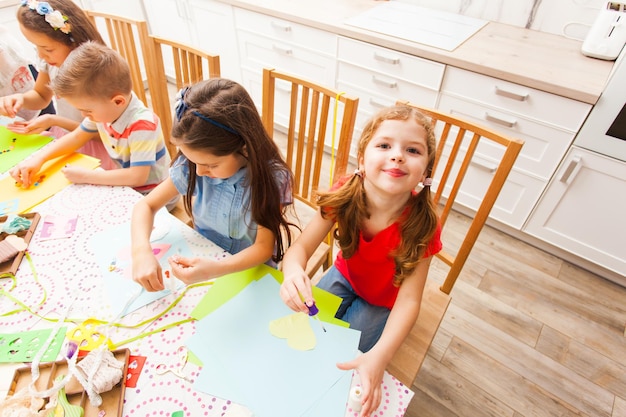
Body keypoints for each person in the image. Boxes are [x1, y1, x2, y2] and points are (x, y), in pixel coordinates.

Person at [279, 105, 442, 417]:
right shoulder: (345, 193)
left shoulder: (423, 224)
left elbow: (409, 302)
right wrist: (292, 272)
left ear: (426, 172)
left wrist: (380, 358)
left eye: (412, 150)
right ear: (362, 160)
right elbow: (299, 249)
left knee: (342, 358)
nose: (397, 156)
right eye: (384, 145)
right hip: (345, 276)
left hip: (383, 300)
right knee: (305, 330)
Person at [130, 78, 294, 292]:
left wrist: (216, 269)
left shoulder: (272, 178)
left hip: (250, 271)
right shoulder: (193, 165)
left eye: (211, 164)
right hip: (204, 256)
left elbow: (263, 248)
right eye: (193, 162)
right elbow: (146, 205)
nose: (199, 172)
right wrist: (141, 250)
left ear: (244, 146)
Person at [9, 41, 170, 194]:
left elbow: (137, 177)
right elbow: (77, 137)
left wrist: (86, 176)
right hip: (127, 185)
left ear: (118, 101)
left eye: (87, 110)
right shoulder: (107, 111)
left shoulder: (142, 124)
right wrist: (39, 159)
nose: (83, 115)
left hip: (152, 194)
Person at [0, 0, 113, 168]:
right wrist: (21, 98)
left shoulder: (96, 75)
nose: (41, 55)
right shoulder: (51, 62)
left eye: (47, 49)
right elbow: (41, 95)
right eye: (36, 47)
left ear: (73, 41)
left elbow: (104, 133)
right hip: (68, 138)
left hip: (98, 148)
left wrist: (54, 120)